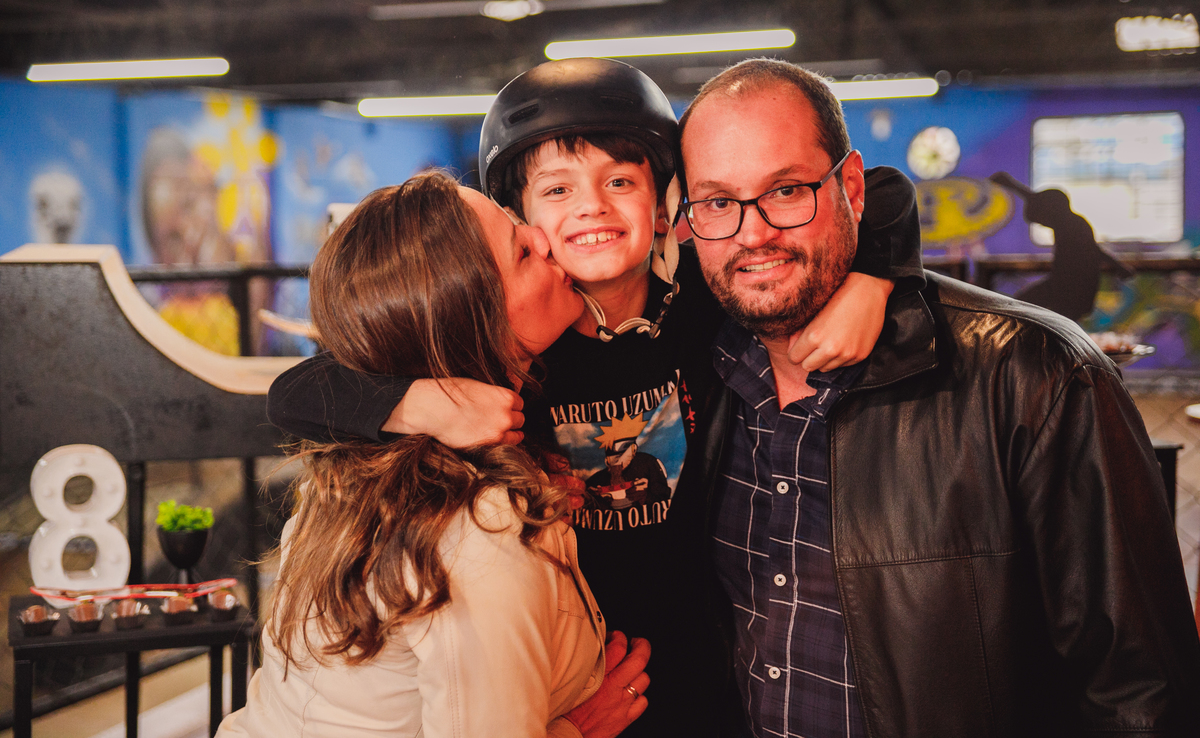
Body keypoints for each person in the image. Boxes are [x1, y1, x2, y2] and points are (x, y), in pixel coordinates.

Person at [267, 58, 924, 737]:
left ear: (671, 209)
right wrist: (413, 403)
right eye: (556, 191)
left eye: (620, 182)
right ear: (520, 220)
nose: (592, 207)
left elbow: (883, 188)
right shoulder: (512, 346)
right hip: (558, 669)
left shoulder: (703, 306)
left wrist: (874, 278)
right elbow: (294, 392)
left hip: (707, 658)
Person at [678, 59, 1200, 736]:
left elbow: (1142, 691)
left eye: (787, 191)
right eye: (719, 201)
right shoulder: (701, 377)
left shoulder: (1034, 378)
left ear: (853, 188)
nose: (752, 232)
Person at [218, 172, 652, 738]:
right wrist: (578, 730)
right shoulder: (481, 528)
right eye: (522, 249)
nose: (544, 239)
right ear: (473, 317)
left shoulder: (367, 465)